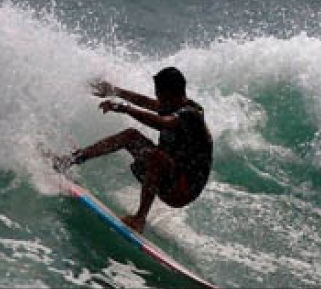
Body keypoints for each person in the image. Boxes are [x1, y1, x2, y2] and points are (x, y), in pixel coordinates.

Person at [53, 67, 213, 233]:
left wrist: (125, 109)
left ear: (171, 94)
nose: (157, 98)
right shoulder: (172, 105)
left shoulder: (191, 114)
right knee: (131, 136)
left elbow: (162, 123)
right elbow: (145, 102)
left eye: (159, 94)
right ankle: (70, 160)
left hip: (183, 189)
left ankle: (139, 219)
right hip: (169, 175)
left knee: (157, 157)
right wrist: (113, 91)